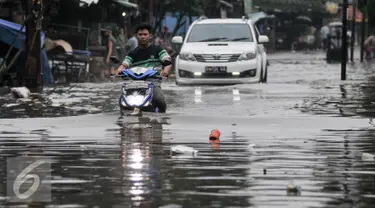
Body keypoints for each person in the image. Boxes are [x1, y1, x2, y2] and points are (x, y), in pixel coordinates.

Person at [115, 22, 172, 112]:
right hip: (134, 83)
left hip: (153, 83)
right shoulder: (132, 53)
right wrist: (118, 71)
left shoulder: (158, 49)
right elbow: (124, 64)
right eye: (140, 34)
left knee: (160, 99)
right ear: (136, 36)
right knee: (121, 100)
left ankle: (162, 119)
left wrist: (165, 71)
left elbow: (167, 60)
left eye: (145, 34)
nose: (143, 36)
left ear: (150, 36)